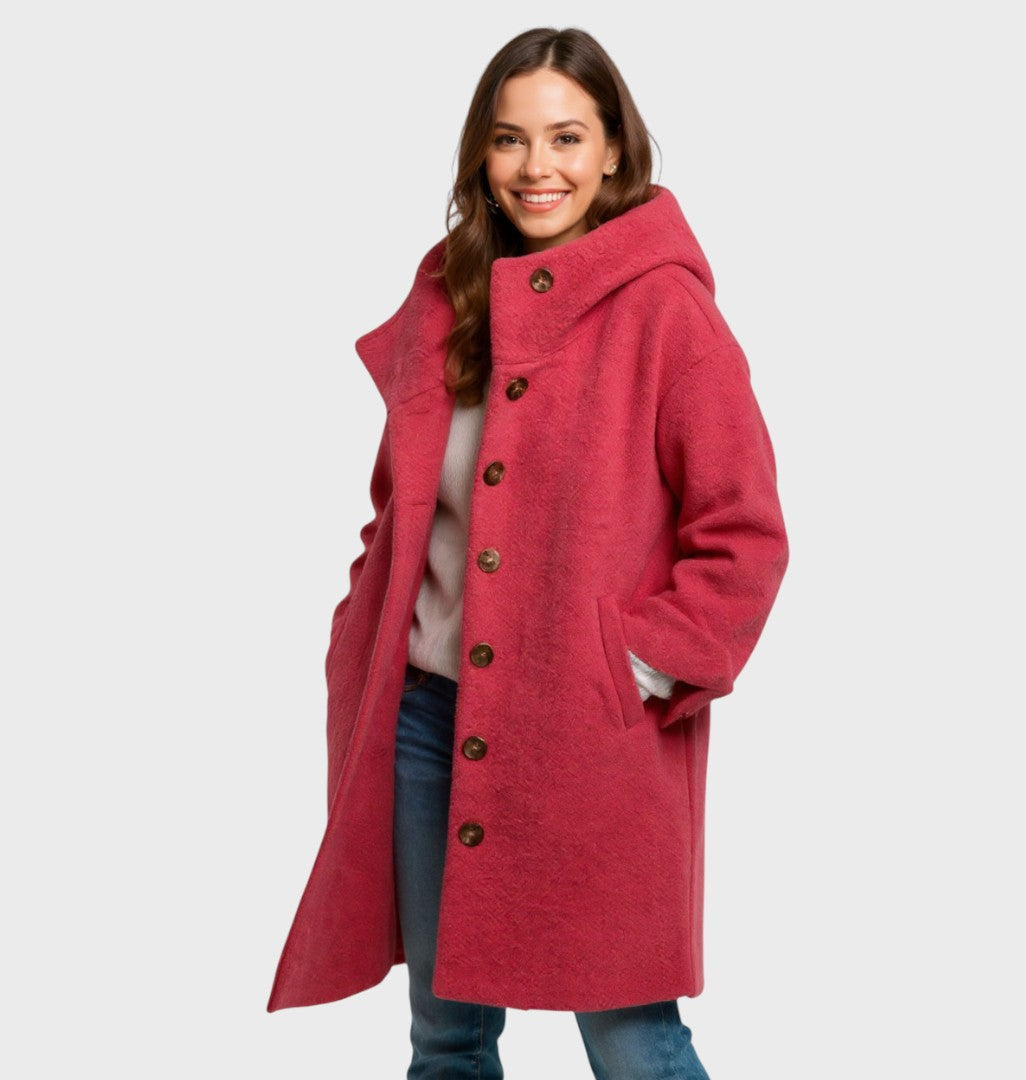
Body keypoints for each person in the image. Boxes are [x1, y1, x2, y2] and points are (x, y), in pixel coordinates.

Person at [267, 27, 790, 1080]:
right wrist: (363, 631)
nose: (536, 166)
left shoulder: (665, 311)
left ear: (613, 149)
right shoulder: (452, 297)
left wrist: (631, 669)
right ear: (481, 154)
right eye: (510, 139)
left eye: (566, 137)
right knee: (446, 1037)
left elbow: (743, 534)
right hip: (427, 717)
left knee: (632, 1037)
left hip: (586, 735)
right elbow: (404, 507)